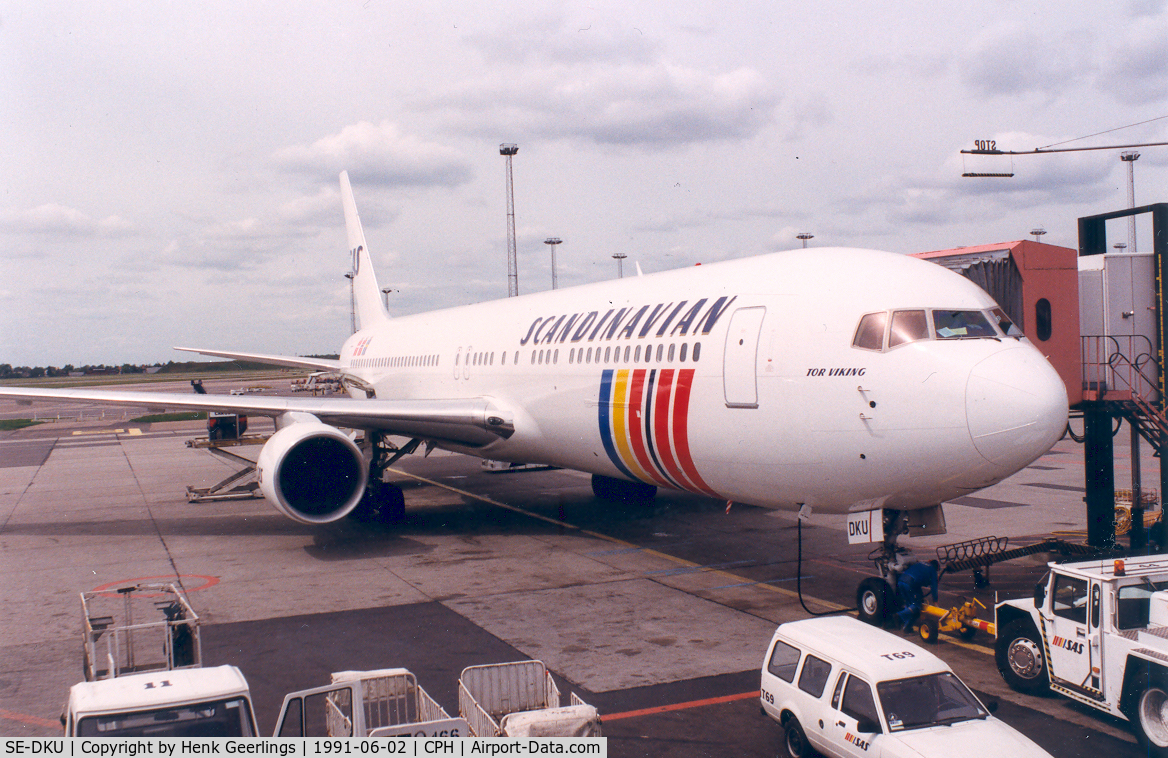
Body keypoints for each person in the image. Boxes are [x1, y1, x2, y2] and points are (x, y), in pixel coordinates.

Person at [896, 559, 940, 632]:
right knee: (916, 606)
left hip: (901, 581)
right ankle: (899, 615)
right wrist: (935, 601)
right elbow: (934, 587)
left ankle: (907, 627)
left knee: (909, 605)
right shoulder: (932, 570)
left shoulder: (921, 563)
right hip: (911, 583)